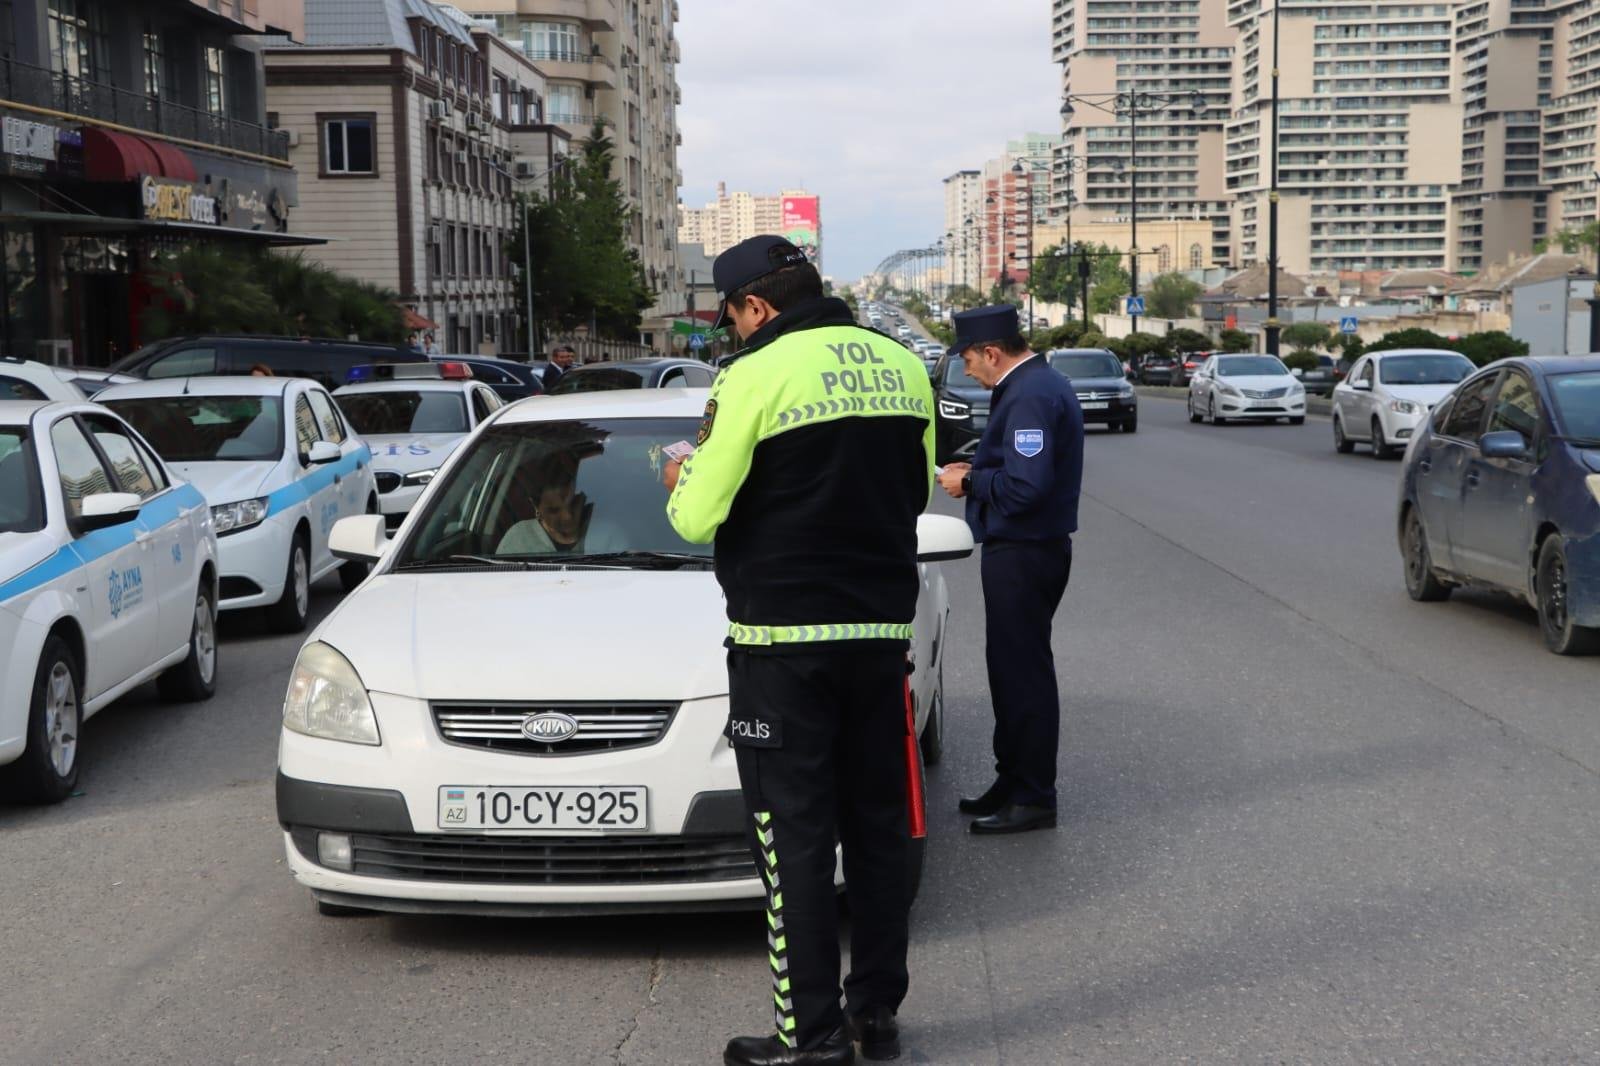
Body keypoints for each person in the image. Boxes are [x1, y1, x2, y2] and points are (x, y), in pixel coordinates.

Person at [663, 235, 935, 1066]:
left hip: (783, 647)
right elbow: (917, 488)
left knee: (795, 843)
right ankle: (874, 1014)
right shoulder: (902, 366)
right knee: (880, 830)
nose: (733, 332)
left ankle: (808, 1036)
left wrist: (679, 478)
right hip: (881, 638)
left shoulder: (753, 375)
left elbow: (694, 517)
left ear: (755, 307)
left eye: (731, 316)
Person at [937, 305, 1084, 835]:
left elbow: (1026, 487)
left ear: (992, 352)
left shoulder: (1030, 395)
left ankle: (1033, 796)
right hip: (1022, 548)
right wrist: (975, 469)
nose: (969, 370)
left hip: (1025, 549)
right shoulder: (1031, 386)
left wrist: (969, 484)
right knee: (1008, 670)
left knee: (1023, 677)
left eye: (970, 360)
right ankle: (1012, 778)